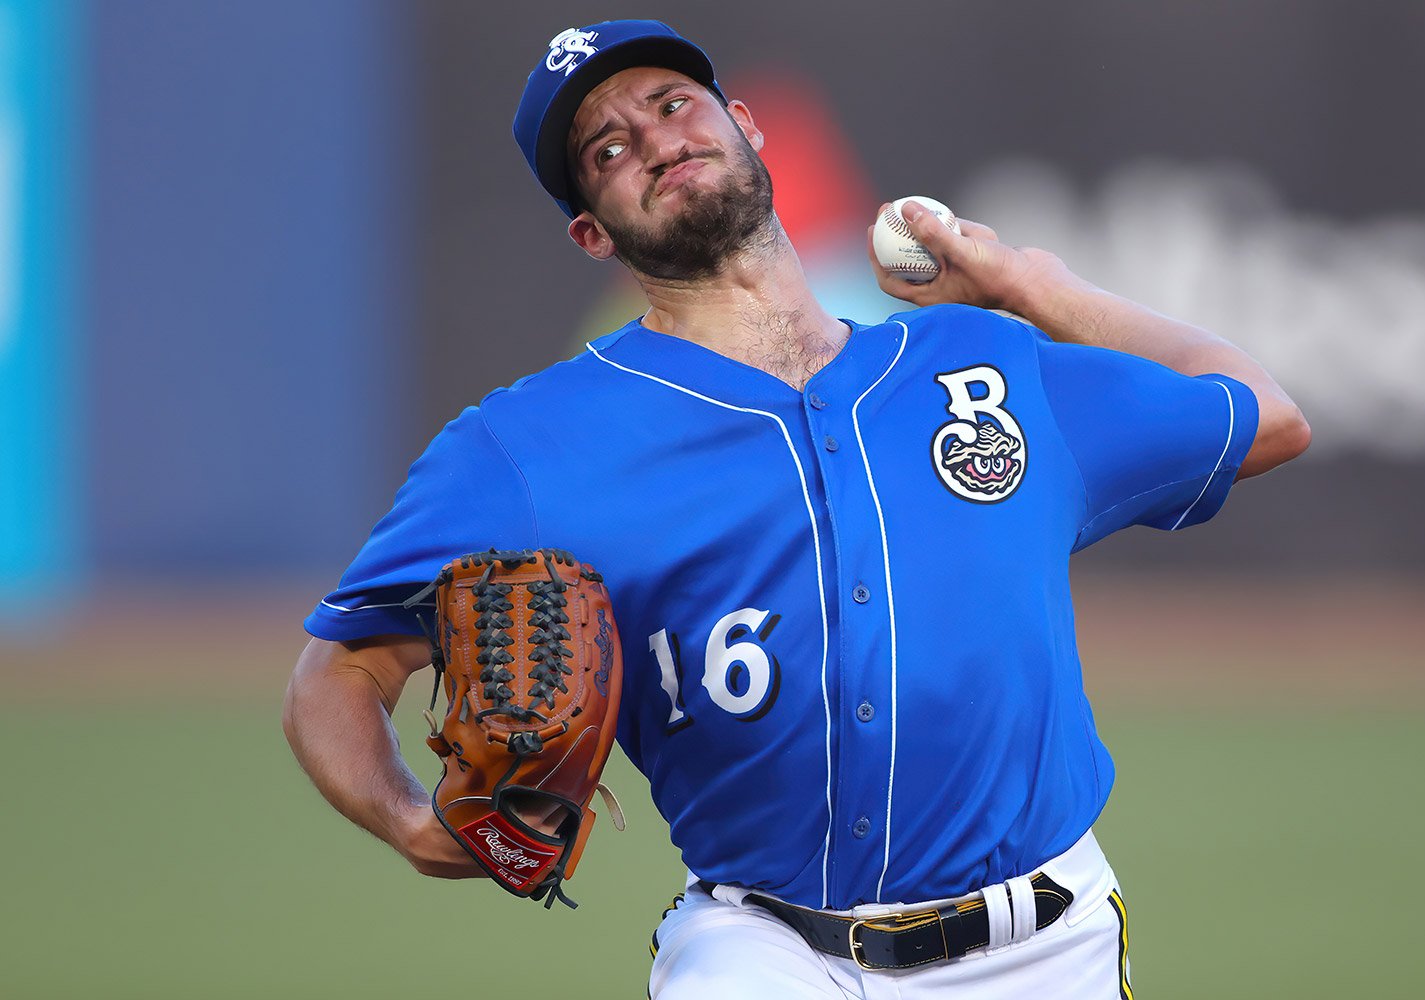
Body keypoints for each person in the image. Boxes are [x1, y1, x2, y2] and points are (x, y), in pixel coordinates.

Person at [283, 19, 1309, 999]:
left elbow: (1266, 416)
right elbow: (338, 673)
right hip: (763, 949)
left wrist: (1040, 289)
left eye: (673, 103)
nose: (654, 139)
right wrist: (416, 825)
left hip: (1047, 948)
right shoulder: (524, 449)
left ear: (744, 123)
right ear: (593, 231)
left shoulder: (977, 362)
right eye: (607, 147)